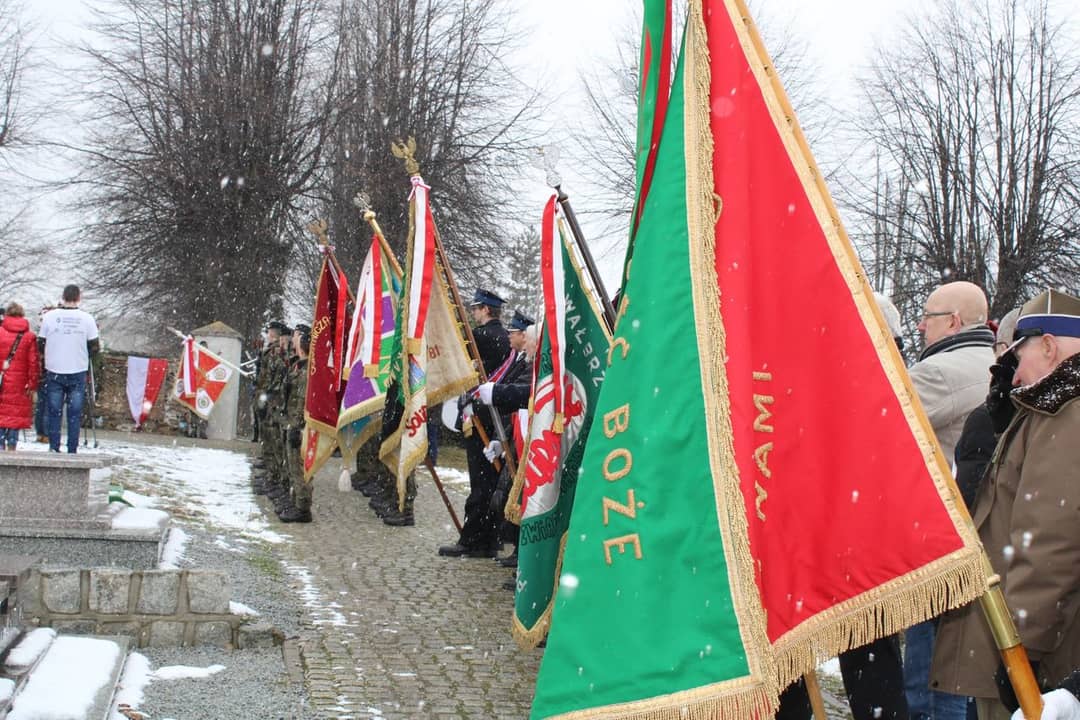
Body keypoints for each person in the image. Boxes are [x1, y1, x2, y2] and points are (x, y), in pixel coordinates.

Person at [932, 289, 1080, 720]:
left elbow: (1049, 542)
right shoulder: (1048, 409)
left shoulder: (1066, 414)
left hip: (1039, 656)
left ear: (1049, 346)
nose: (1014, 370)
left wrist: (1022, 647)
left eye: (1020, 352)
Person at [438, 288, 510, 558]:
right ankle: (491, 537)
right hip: (499, 414)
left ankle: (473, 539)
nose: (474, 312)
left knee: (480, 480)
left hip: (480, 413)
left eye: (476, 308)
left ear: (486, 309)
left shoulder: (480, 336)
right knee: (492, 479)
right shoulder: (505, 337)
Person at [475, 310, 536, 570]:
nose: (511, 336)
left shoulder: (534, 367)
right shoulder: (523, 360)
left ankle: (521, 552)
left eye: (518, 334)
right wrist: (501, 441)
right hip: (515, 437)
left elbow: (523, 395)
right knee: (511, 495)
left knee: (521, 497)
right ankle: (517, 550)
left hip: (527, 442)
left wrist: (497, 392)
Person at [38, 285, 100, 453]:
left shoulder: (49, 317)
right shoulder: (87, 319)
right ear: (79, 298)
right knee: (74, 413)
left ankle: (54, 446)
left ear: (63, 297)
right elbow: (95, 347)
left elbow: (41, 343)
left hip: (54, 369)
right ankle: (72, 448)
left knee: (54, 411)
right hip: (77, 369)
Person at [279, 324, 312, 523]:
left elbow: (302, 400)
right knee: (292, 464)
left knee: (299, 467)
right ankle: (295, 501)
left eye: (297, 338)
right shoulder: (298, 366)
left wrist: (297, 426)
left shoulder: (307, 371)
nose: (293, 340)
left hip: (299, 425)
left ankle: (303, 507)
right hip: (291, 420)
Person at [0, 303, 41, 451]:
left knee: (1, 412)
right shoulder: (29, 337)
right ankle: (12, 443)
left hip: (2, 381)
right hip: (20, 382)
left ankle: (0, 443)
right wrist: (33, 384)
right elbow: (33, 362)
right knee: (15, 414)